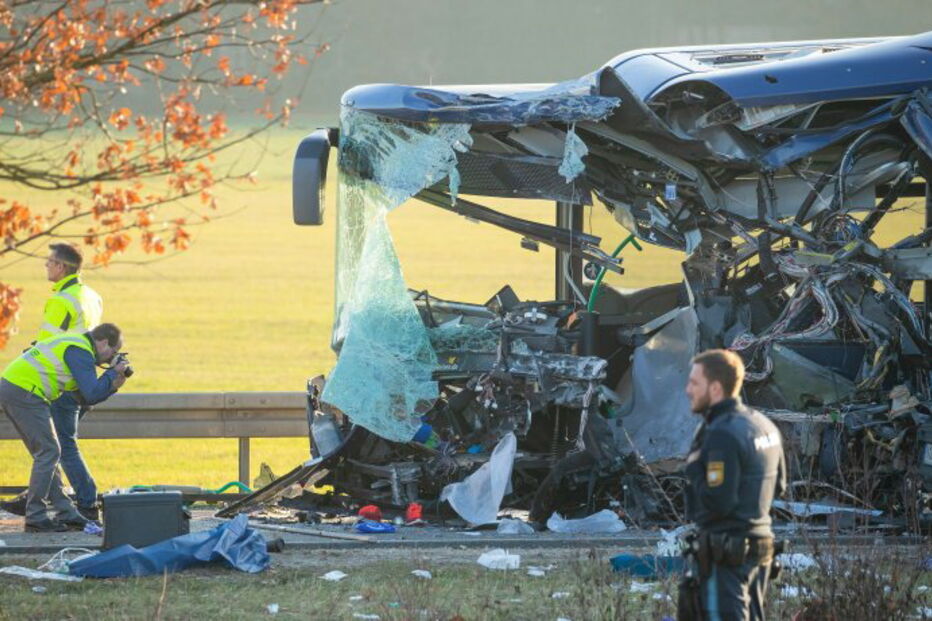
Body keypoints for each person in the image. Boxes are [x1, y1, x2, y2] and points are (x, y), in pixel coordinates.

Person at [679, 349, 786, 621]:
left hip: (726, 553)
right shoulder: (763, 425)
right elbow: (779, 486)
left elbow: (719, 502)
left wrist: (693, 467)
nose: (687, 390)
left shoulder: (721, 434)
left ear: (715, 388)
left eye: (694, 383)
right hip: (760, 547)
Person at [1, 244, 104, 520]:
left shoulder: (62, 300)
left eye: (49, 262)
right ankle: (54, 500)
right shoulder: (92, 296)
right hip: (80, 376)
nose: (46, 266)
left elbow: (49, 343)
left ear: (61, 267)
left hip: (57, 377)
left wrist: (31, 359)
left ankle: (84, 503)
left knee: (57, 447)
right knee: (55, 446)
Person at [0, 323, 129, 532]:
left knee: (47, 453)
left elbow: (85, 397)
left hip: (19, 388)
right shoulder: (80, 351)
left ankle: (66, 513)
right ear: (104, 342)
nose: (109, 359)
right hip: (24, 391)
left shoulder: (76, 346)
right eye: (113, 353)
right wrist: (111, 374)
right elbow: (91, 393)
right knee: (49, 452)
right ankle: (36, 516)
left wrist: (113, 384)